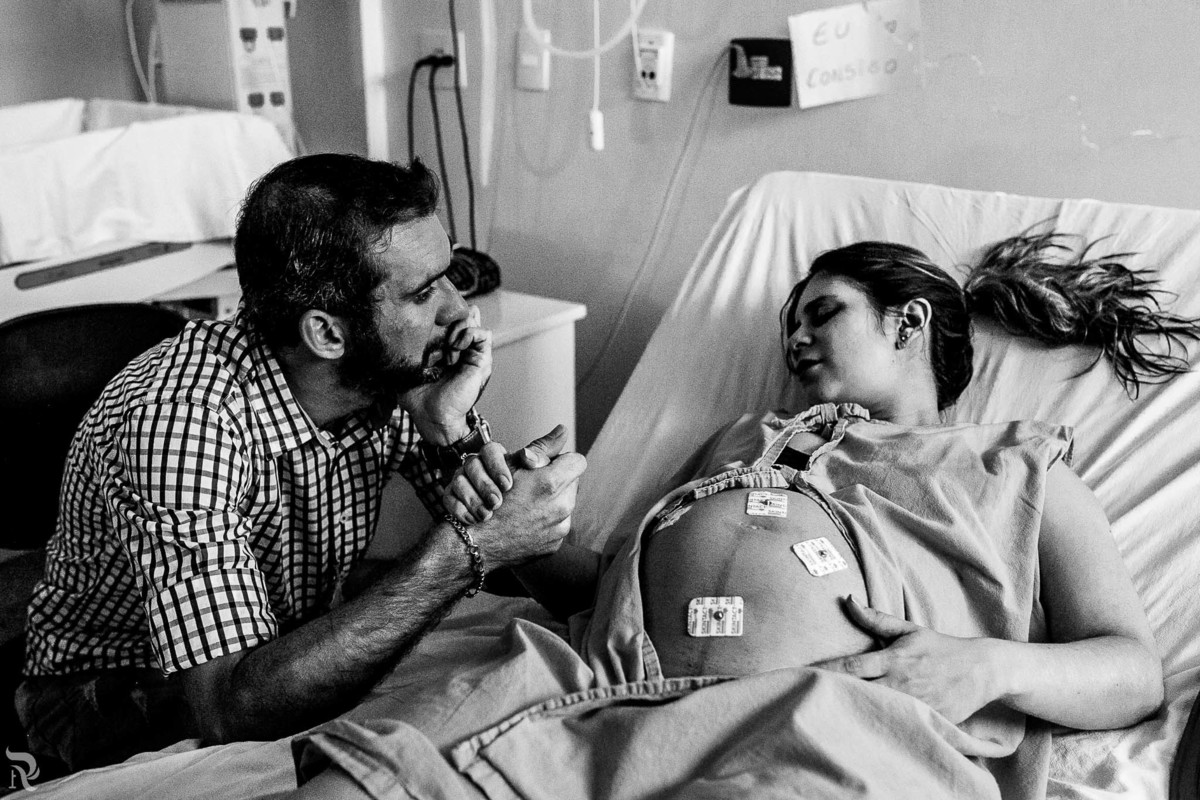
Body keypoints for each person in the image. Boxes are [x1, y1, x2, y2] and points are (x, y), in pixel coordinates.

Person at [418, 230, 1197, 797]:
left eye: (822, 313)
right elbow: (604, 588)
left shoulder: (1013, 464)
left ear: (909, 322)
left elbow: (1133, 674)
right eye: (790, 326)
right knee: (388, 767)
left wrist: (984, 666)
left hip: (820, 733)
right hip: (597, 704)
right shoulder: (740, 439)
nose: (795, 339)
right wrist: (505, 512)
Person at [16, 153, 587, 773]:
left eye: (448, 276)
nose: (458, 310)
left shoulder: (383, 378)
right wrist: (464, 551)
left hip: (277, 634)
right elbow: (229, 711)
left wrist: (454, 434)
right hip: (117, 687)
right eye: (424, 293)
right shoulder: (184, 423)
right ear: (328, 335)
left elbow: (551, 578)